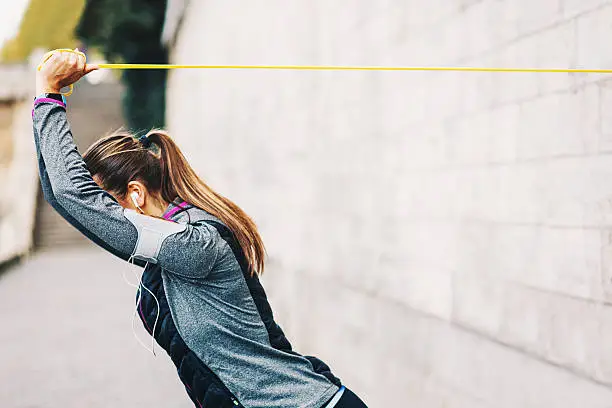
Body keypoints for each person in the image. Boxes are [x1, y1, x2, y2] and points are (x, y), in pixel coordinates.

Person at [32, 49, 369, 408]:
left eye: (105, 203)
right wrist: (45, 101)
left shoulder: (195, 243)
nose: (101, 218)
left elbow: (73, 196)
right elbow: (60, 194)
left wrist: (47, 93)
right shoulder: (167, 247)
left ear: (134, 193)